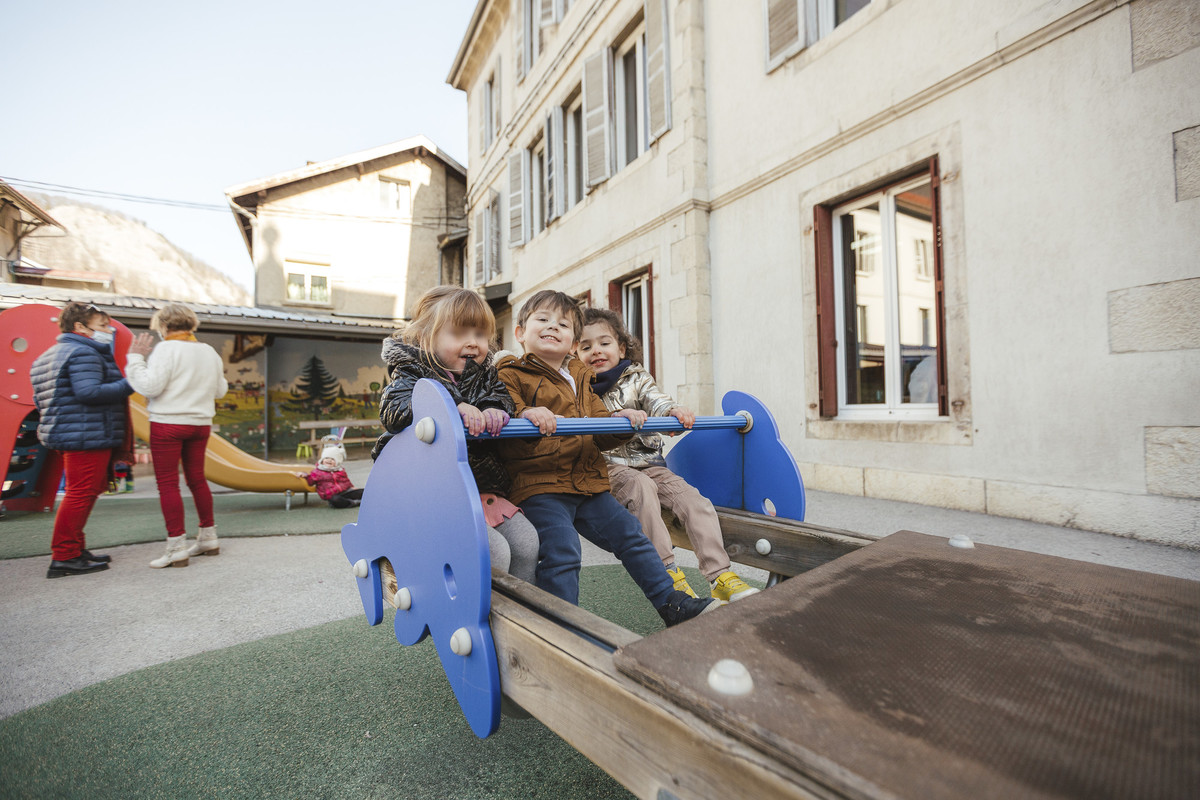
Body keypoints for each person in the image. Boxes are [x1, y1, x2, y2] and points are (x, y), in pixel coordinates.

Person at [496, 290, 719, 626]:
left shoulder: (580, 377)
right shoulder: (511, 374)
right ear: (520, 333)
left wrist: (621, 423)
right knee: (562, 549)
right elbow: (505, 412)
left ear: (572, 340)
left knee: (631, 535)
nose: (553, 327)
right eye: (542, 320)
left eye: (563, 324)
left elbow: (600, 432)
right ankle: (562, 626)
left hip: (587, 482)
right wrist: (526, 412)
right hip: (540, 484)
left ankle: (671, 604)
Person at [578, 308, 759, 603]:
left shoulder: (636, 378)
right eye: (585, 347)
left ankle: (720, 576)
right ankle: (667, 573)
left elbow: (655, 399)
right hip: (608, 467)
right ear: (575, 354)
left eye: (604, 343)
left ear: (621, 347)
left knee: (695, 502)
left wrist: (671, 412)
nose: (596, 351)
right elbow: (584, 419)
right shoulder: (579, 388)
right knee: (641, 488)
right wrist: (617, 415)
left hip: (649, 463)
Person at [373, 286, 539, 582]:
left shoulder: (486, 375)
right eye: (460, 333)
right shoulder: (410, 373)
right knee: (494, 552)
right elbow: (394, 409)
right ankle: (482, 619)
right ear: (427, 338)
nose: (473, 343)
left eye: (480, 334)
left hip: (481, 488)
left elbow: (500, 398)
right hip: (432, 494)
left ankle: (522, 617)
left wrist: (493, 410)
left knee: (527, 543)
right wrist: (452, 406)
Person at [30, 302, 133, 578]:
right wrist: (131, 382)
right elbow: (89, 392)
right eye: (101, 325)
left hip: (67, 433)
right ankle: (64, 556)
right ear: (79, 327)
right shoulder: (82, 352)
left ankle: (74, 548)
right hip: (86, 434)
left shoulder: (48, 356)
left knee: (83, 490)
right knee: (80, 493)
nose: (108, 330)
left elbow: (38, 399)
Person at [126, 303, 228, 568]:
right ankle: (208, 537)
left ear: (163, 325)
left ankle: (176, 548)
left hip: (168, 422)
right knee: (197, 479)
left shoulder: (166, 348)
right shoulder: (208, 351)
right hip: (200, 423)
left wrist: (136, 359)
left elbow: (150, 386)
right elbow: (220, 391)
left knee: (168, 484)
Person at [294, 446, 364, 508]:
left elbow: (346, 481)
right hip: (332, 495)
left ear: (337, 462)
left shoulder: (340, 470)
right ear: (322, 460)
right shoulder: (317, 472)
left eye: (332, 459)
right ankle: (354, 502)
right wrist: (305, 475)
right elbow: (310, 481)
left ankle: (357, 500)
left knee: (363, 491)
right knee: (336, 500)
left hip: (345, 492)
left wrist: (352, 487)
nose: (329, 460)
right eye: (326, 458)